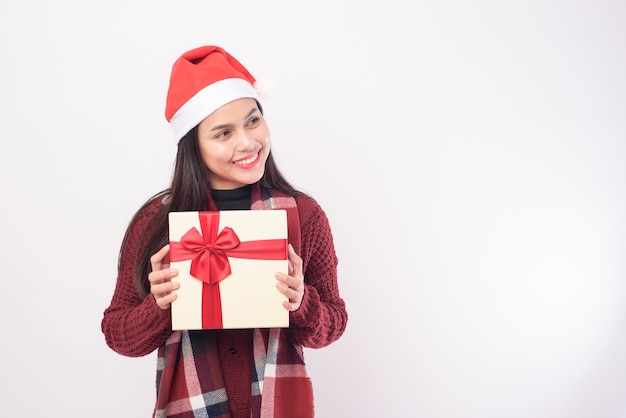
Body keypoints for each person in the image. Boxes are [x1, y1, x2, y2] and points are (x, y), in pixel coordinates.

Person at [100, 45, 348, 418]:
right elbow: (118, 335)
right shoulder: (156, 221)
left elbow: (333, 324)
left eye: (252, 121)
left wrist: (301, 302)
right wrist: (160, 304)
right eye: (223, 133)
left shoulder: (304, 216)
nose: (247, 143)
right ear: (193, 146)